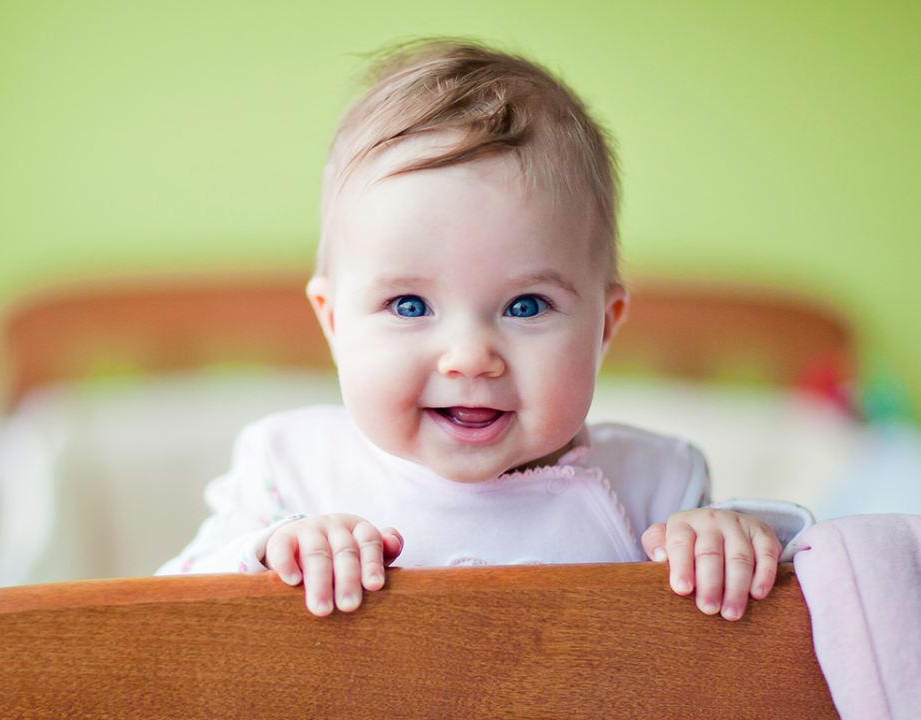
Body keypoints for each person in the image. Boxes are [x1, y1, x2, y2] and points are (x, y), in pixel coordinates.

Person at [158, 39, 811, 620]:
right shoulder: (291, 469)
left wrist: (737, 544)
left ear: (604, 327)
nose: (470, 358)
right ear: (333, 322)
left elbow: (774, 626)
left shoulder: (657, 487)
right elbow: (163, 608)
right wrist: (270, 555)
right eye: (410, 306)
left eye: (525, 306)